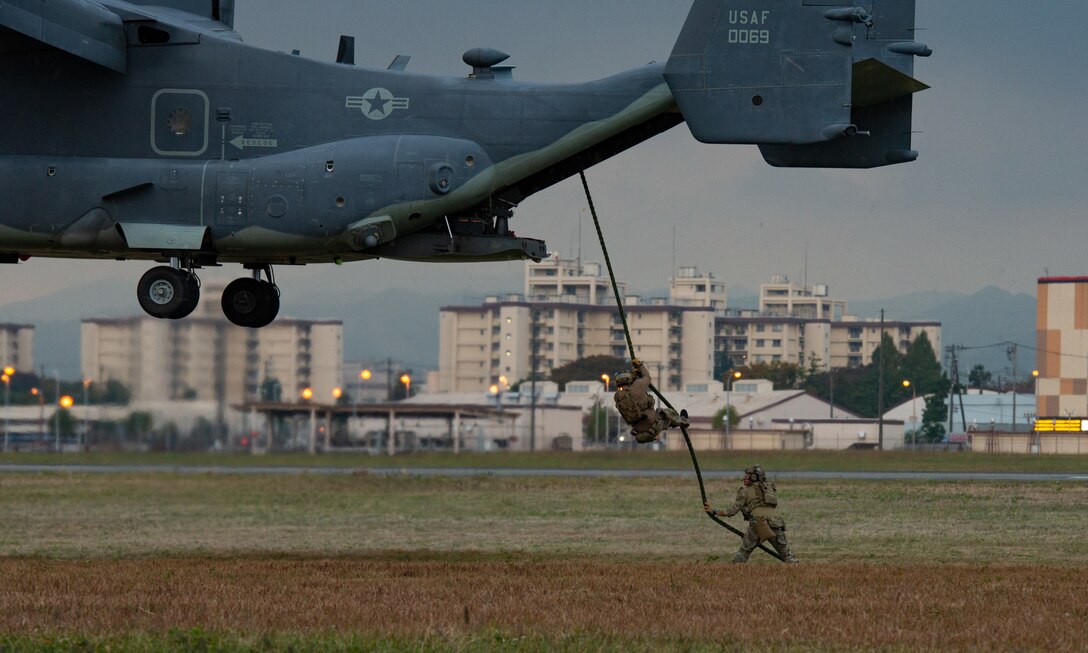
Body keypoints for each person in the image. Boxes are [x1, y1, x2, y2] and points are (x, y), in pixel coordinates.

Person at [705, 464, 798, 563]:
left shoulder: (745, 491)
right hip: (776, 523)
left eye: (747, 475)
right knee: (787, 555)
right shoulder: (769, 488)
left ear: (754, 477)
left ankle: (733, 571)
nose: (744, 477)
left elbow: (732, 512)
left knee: (743, 553)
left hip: (758, 524)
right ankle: (797, 570)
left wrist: (714, 511)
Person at [613, 359, 687, 444]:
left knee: (663, 420)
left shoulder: (618, 397)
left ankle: (672, 423)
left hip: (639, 432)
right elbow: (647, 377)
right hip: (653, 425)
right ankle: (683, 421)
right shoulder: (637, 385)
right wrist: (640, 366)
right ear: (630, 379)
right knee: (664, 412)